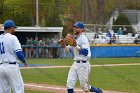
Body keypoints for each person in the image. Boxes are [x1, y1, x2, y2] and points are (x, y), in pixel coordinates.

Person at [58, 22, 103, 93]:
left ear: (81, 29)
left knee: (84, 87)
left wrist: (76, 45)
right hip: (75, 63)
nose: (74, 28)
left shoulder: (83, 39)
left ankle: (98, 91)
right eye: (74, 27)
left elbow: (85, 52)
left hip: (84, 65)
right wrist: (63, 44)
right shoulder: (74, 38)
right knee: (69, 84)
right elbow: (68, 50)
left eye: (76, 27)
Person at [0, 20, 27, 93]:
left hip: (1, 68)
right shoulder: (13, 37)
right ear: (11, 28)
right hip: (12, 67)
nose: (14, 29)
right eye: (14, 28)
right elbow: (18, 52)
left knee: (3, 91)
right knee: (18, 90)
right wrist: (24, 61)